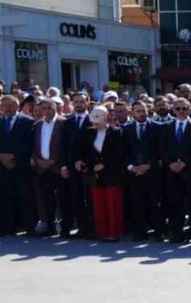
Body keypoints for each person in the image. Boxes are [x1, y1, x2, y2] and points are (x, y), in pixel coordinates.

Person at [0, 94, 36, 237]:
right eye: (5, 105)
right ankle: (7, 227)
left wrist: (13, 156)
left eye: (11, 105)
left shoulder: (28, 121)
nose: (7, 108)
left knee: (25, 196)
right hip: (2, 166)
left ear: (17, 105)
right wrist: (1, 155)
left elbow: (29, 143)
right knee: (4, 196)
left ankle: (28, 227)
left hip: (21, 165)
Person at [77, 107, 126, 242]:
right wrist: (91, 165)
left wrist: (105, 164)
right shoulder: (88, 133)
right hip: (95, 174)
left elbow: (119, 153)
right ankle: (102, 232)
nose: (95, 125)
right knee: (99, 203)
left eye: (98, 121)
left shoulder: (116, 132)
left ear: (105, 118)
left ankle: (113, 232)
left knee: (112, 203)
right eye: (93, 122)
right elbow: (84, 152)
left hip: (112, 173)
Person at [160, 98, 191, 242]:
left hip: (190, 170)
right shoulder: (166, 127)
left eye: (184, 108)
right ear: (173, 110)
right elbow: (162, 149)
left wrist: (185, 162)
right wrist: (171, 163)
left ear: (190, 109)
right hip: (172, 171)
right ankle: (176, 232)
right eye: (178, 109)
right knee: (174, 203)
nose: (181, 112)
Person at [123, 102, 165, 241]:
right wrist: (131, 167)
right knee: (137, 202)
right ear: (133, 112)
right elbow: (124, 151)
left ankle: (159, 231)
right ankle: (140, 231)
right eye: (138, 111)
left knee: (155, 203)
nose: (141, 113)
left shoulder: (157, 128)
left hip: (152, 172)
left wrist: (149, 165)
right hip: (134, 173)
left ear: (148, 111)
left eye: (143, 110)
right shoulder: (126, 129)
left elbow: (161, 150)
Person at [60, 93, 95, 238]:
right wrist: (64, 165)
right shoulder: (67, 122)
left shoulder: (94, 119)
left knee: (91, 199)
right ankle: (81, 229)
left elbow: (95, 145)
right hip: (71, 166)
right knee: (76, 198)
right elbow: (63, 145)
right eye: (76, 102)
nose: (79, 104)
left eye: (81, 101)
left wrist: (86, 161)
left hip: (89, 166)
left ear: (87, 102)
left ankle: (92, 229)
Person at [31, 97, 66, 236]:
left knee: (63, 199)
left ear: (55, 108)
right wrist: (38, 160)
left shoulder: (63, 123)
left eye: (49, 108)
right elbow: (33, 146)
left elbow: (65, 145)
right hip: (42, 167)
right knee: (46, 199)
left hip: (58, 167)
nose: (47, 111)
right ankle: (49, 227)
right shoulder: (37, 125)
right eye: (43, 108)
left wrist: (55, 161)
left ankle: (65, 227)